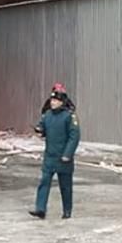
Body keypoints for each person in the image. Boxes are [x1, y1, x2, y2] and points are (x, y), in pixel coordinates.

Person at [29, 91, 80, 220]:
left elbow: (74, 137)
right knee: (44, 182)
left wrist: (68, 154)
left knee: (65, 186)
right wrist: (40, 131)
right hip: (50, 156)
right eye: (52, 100)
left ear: (62, 102)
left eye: (55, 101)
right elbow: (43, 128)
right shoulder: (47, 115)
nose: (52, 103)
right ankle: (40, 209)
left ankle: (67, 211)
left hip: (63, 158)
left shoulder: (69, 117)